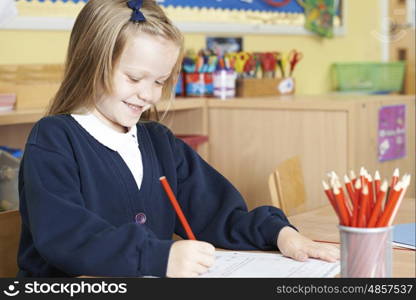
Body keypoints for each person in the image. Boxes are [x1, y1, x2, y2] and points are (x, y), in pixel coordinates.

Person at [17, 0, 339, 278]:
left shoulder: (159, 141)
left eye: (159, 81)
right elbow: (67, 237)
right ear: (91, 63)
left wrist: (278, 233)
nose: (148, 94)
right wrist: (160, 257)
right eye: (133, 78)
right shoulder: (54, 140)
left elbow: (217, 213)